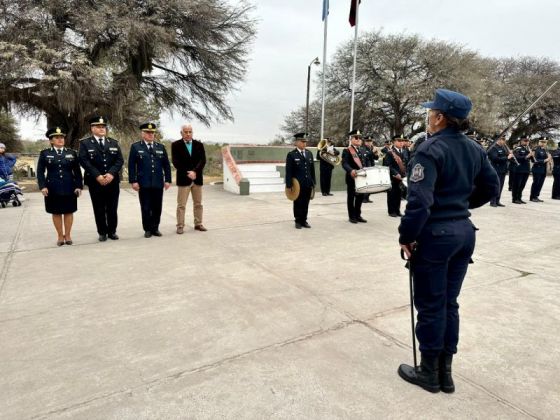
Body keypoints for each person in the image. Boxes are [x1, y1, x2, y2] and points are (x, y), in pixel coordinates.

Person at [398, 88, 499, 394]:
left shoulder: (429, 150)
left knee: (430, 304)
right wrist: (460, 205)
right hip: (464, 232)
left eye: (431, 113)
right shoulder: (474, 148)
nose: (428, 117)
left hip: (436, 235)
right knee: (448, 303)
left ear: (440, 118)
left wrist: (407, 236)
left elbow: (419, 203)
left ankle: (429, 373)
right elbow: (491, 187)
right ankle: (446, 373)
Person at [79, 116, 124, 241]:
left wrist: (111, 174)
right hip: (95, 181)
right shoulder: (85, 143)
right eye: (98, 127)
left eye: (103, 127)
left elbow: (119, 160)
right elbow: (84, 160)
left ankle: (112, 231)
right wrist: (97, 175)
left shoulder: (113, 142)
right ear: (92, 128)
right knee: (98, 207)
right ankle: (102, 232)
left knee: (112, 207)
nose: (102, 129)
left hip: (112, 181)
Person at [37, 127, 83, 246]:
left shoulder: (71, 153)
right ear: (51, 141)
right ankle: (59, 236)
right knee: (56, 212)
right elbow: (40, 172)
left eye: (62, 137)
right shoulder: (45, 153)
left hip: (69, 187)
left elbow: (77, 172)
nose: (60, 139)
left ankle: (67, 235)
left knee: (69, 211)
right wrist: (42, 186)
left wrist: (79, 186)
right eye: (57, 138)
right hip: (52, 188)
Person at [128, 123, 171, 237]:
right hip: (143, 183)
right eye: (148, 132)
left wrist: (167, 180)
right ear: (142, 134)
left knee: (157, 207)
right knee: (146, 207)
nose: (151, 134)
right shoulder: (136, 147)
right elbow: (131, 165)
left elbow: (166, 165)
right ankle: (147, 229)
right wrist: (133, 181)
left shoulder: (160, 147)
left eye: (152, 133)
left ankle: (155, 228)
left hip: (158, 183)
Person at [171, 124, 207, 234]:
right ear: (181, 133)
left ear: (192, 132)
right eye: (185, 131)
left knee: (198, 203)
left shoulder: (199, 145)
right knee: (181, 205)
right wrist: (188, 172)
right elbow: (176, 162)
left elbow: (203, 160)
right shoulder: (176, 145)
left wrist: (195, 171)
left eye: (190, 131)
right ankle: (180, 225)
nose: (188, 133)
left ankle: (198, 224)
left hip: (197, 179)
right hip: (183, 179)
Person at [285, 132, 316, 229]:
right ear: (297, 142)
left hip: (307, 183)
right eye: (302, 142)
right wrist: (289, 185)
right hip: (297, 184)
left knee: (306, 202)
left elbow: (312, 170)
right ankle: (298, 221)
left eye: (305, 142)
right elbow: (289, 171)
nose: (304, 144)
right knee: (298, 202)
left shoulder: (309, 153)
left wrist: (313, 182)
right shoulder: (291, 155)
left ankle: (304, 220)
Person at [342, 130, 367, 223]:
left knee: (360, 197)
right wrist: (350, 170)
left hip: (361, 177)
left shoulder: (362, 150)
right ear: (351, 139)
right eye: (356, 138)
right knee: (351, 197)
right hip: (352, 177)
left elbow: (364, 163)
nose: (358, 140)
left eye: (360, 138)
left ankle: (358, 215)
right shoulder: (347, 151)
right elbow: (344, 163)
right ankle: (352, 216)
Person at [383, 135, 409, 217]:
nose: (401, 142)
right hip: (393, 177)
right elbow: (388, 165)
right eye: (399, 141)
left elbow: (406, 163)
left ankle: (397, 210)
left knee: (399, 194)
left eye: (402, 141)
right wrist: (395, 173)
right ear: (394, 142)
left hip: (401, 176)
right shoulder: (390, 152)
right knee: (392, 194)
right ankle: (391, 211)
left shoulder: (404, 151)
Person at [487, 134, 512, 207]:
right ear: (498, 140)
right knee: (495, 186)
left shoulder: (504, 148)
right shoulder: (493, 148)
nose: (504, 141)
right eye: (503, 139)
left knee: (500, 186)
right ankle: (492, 201)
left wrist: (510, 155)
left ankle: (497, 200)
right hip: (496, 169)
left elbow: (506, 157)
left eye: (504, 139)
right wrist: (507, 157)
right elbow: (495, 159)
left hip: (503, 169)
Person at [511, 135, 532, 204]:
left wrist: (532, 155)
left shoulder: (528, 149)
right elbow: (517, 157)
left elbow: (532, 159)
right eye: (525, 141)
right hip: (519, 169)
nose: (526, 142)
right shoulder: (517, 149)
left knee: (522, 185)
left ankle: (519, 198)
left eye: (527, 141)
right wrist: (527, 156)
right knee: (517, 185)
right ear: (521, 141)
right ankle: (515, 198)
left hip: (526, 169)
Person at [529, 137, 551, 202]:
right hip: (537, 169)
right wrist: (545, 160)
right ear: (539, 142)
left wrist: (548, 160)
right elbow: (535, 160)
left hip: (543, 169)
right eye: (542, 142)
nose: (543, 143)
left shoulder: (545, 150)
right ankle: (532, 197)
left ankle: (536, 196)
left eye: (545, 142)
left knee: (540, 183)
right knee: (536, 183)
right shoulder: (536, 150)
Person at [361, 136, 379, 203]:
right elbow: (365, 156)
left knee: (370, 183)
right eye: (367, 141)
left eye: (370, 141)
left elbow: (375, 158)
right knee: (366, 184)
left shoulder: (372, 148)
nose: (369, 143)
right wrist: (372, 152)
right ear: (365, 142)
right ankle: (364, 198)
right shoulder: (363, 149)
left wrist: (376, 154)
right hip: (366, 167)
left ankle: (367, 197)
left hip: (371, 167)